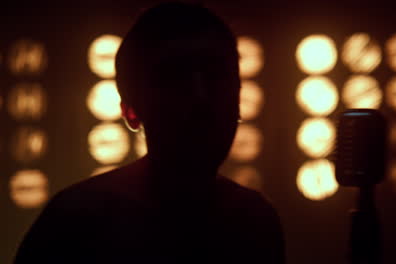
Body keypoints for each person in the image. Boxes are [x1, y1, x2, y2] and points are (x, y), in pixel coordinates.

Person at [14, 2, 285, 263]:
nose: (201, 96)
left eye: (216, 74)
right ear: (131, 110)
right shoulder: (74, 223)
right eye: (176, 77)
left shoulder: (256, 221)